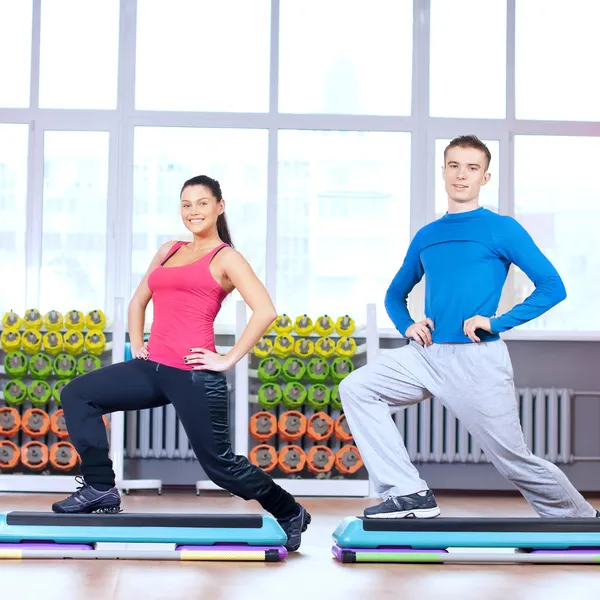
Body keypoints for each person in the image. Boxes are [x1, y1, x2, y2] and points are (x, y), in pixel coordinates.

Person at [340, 135, 598, 520]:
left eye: (472, 168)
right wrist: (409, 325)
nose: (462, 175)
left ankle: (581, 521)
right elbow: (395, 294)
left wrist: (496, 323)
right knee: (357, 387)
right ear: (443, 171)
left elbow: (552, 287)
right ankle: (410, 494)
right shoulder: (428, 235)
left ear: (485, 177)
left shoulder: (501, 229)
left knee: (513, 460)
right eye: (454, 166)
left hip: (477, 359)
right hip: (425, 355)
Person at [53, 175, 311, 551]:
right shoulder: (169, 249)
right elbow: (138, 301)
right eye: (186, 204)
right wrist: (138, 344)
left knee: (220, 467)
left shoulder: (227, 258)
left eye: (202, 203)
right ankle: (99, 488)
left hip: (193, 374)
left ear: (219, 207)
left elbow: (265, 311)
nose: (193, 211)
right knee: (77, 395)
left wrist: (227, 359)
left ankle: (289, 511)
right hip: (152, 368)